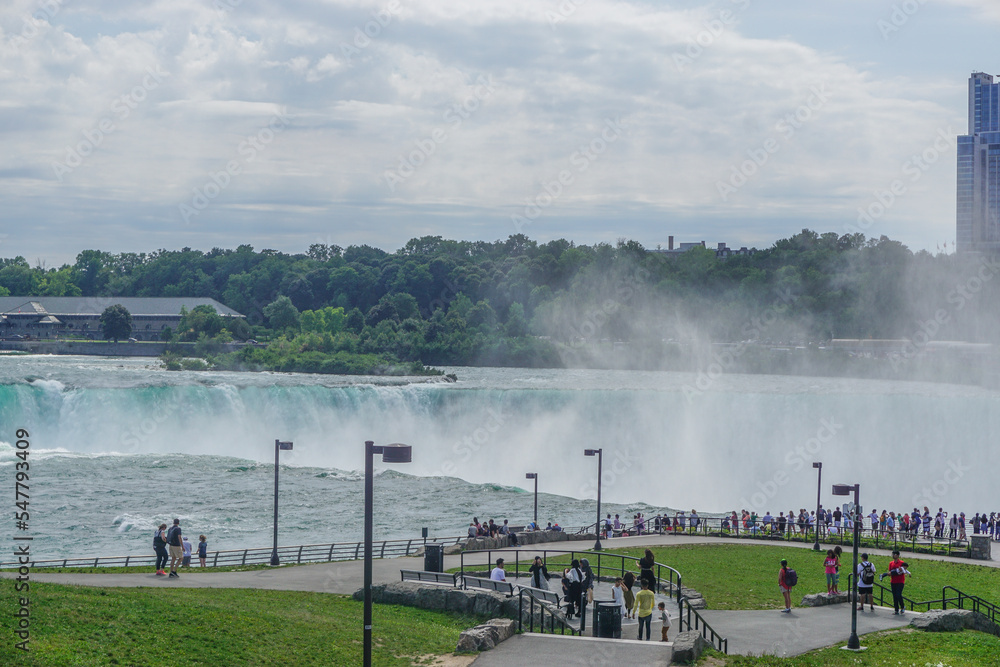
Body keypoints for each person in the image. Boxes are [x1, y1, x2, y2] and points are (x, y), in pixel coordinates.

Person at [884, 550, 909, 615]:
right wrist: (889, 574)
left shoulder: (901, 563)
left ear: (897, 555)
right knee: (894, 596)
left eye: (894, 554)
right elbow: (890, 571)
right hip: (893, 581)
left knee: (898, 594)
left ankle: (902, 607)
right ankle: (896, 610)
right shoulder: (891, 563)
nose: (893, 555)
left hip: (900, 581)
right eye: (892, 554)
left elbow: (904, 570)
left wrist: (901, 571)